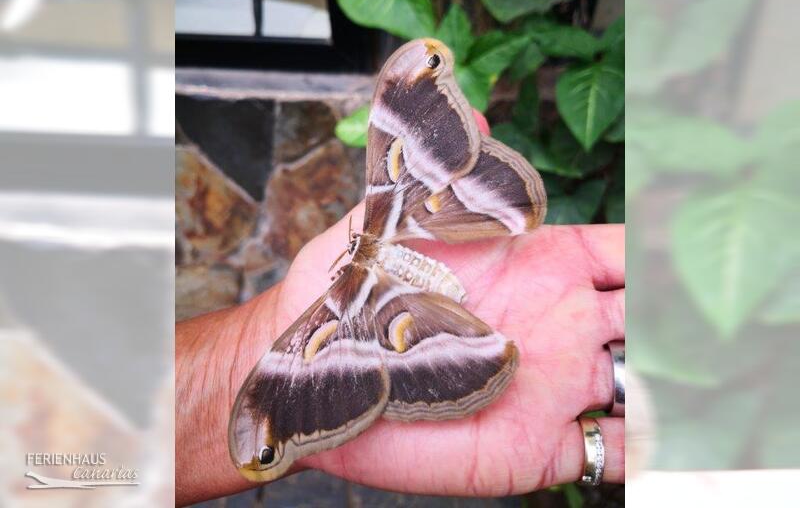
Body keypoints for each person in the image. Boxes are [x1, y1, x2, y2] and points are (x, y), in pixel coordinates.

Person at [175, 114, 625, 506]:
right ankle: (480, 356)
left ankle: (480, 341)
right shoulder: (355, 270)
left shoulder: (353, 270)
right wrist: (267, 411)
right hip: (407, 271)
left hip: (414, 274)